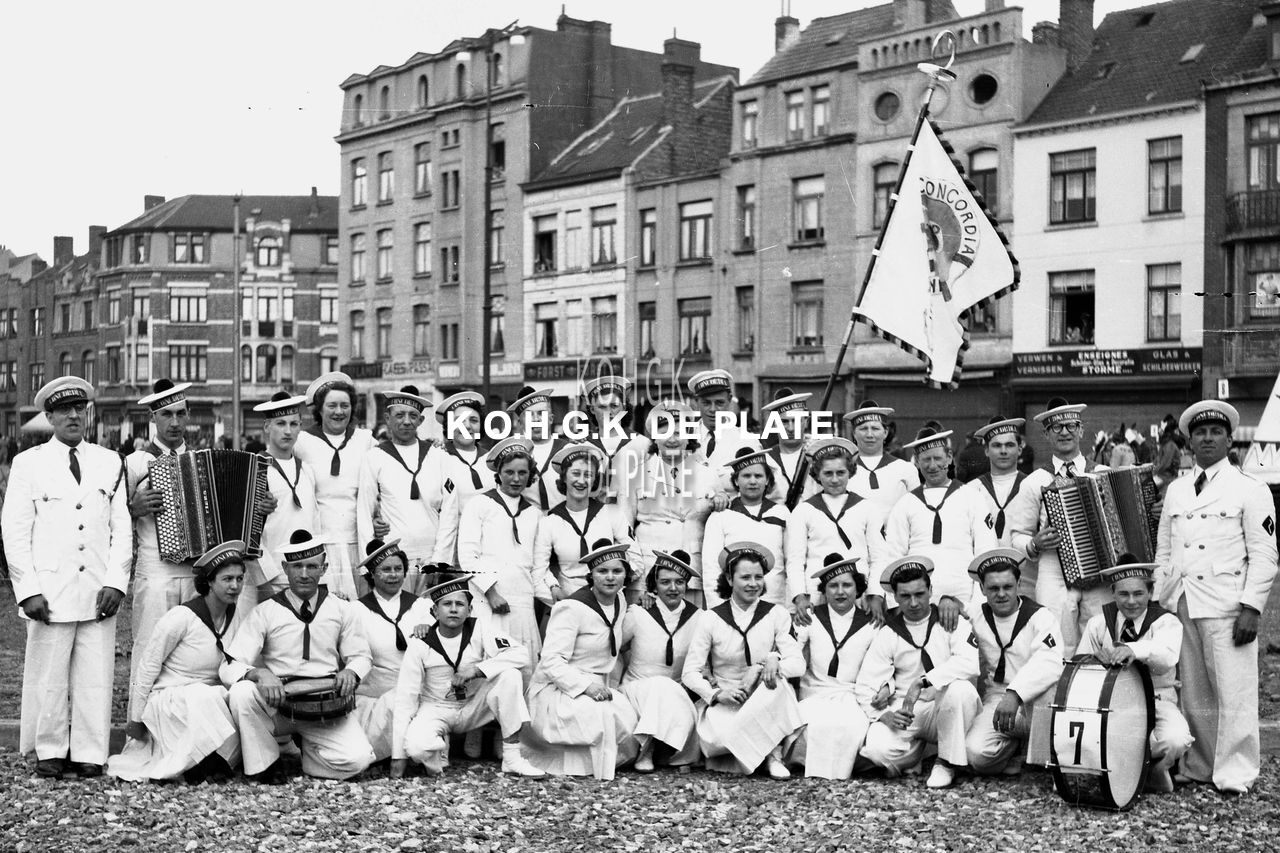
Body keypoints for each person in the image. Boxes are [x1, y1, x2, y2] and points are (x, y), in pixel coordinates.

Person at [2, 377, 132, 779]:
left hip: (97, 589)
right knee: (48, 675)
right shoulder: (29, 463)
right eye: (63, 410)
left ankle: (91, 751)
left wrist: (116, 582)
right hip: (50, 591)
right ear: (50, 417)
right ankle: (50, 749)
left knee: (96, 675)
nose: (73, 416)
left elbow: (122, 529)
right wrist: (27, 590)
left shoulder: (110, 461)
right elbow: (14, 532)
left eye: (79, 409)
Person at [1155, 400, 1277, 794]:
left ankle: (1236, 772)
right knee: (1195, 691)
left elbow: (1265, 554)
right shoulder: (1176, 490)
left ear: (1228, 440)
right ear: (1189, 442)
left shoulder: (1250, 488)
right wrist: (1160, 598)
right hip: (1184, 600)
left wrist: (1252, 607)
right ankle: (1201, 765)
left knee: (1234, 691)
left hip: (1227, 603)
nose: (1208, 438)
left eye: (1216, 432)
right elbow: (1164, 551)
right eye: (1201, 433)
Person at [220, 530, 375, 782]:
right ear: (285, 568)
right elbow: (230, 664)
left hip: (324, 705)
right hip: (279, 704)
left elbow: (361, 656)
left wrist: (351, 671)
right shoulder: (266, 611)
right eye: (297, 566)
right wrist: (259, 673)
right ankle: (265, 764)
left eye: (311, 566)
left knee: (358, 760)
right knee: (242, 692)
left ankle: (308, 756)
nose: (304, 574)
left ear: (324, 568)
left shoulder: (341, 608)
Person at [108, 541, 246, 783]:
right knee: (204, 696)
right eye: (227, 579)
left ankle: (206, 761)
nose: (234, 586)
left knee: (231, 697)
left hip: (208, 702)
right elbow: (147, 667)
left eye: (239, 579)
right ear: (209, 582)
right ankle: (198, 762)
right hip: (170, 702)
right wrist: (136, 720)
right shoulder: (182, 617)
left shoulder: (235, 616)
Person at [390, 572, 545, 778]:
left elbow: (520, 653)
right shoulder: (421, 642)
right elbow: (405, 697)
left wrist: (476, 670)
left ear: (470, 610)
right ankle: (438, 752)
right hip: (437, 706)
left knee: (510, 675)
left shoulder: (479, 627)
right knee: (417, 748)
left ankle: (512, 758)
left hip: (474, 705)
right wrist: (398, 758)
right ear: (435, 611)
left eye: (460, 604)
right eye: (447, 604)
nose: (454, 609)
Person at [682, 542, 804, 778]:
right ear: (729, 579)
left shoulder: (776, 614)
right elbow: (690, 672)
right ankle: (760, 751)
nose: (753, 584)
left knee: (777, 683)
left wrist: (771, 662)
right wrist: (716, 694)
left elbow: (798, 664)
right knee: (723, 737)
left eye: (758, 577)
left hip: (763, 697)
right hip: (728, 698)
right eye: (745, 577)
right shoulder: (711, 618)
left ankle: (773, 756)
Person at [857, 557, 980, 789]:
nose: (914, 603)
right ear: (895, 597)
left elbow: (970, 664)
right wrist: (884, 715)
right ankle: (919, 753)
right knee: (877, 750)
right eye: (905, 596)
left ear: (931, 591)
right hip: (907, 708)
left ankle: (946, 762)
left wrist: (924, 682)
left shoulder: (949, 620)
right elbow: (866, 684)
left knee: (961, 690)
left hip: (945, 705)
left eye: (920, 594)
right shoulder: (889, 632)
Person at [524, 540, 640, 780]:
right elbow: (551, 661)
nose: (610, 578)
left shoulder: (620, 601)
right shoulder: (571, 608)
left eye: (617, 571)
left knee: (628, 719)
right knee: (600, 716)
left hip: (598, 684)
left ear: (626, 575)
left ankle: (601, 764)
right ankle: (581, 766)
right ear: (591, 575)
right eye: (602, 571)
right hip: (559, 688)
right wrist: (586, 687)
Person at [1078, 559, 1192, 793]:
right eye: (1123, 594)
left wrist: (1133, 649)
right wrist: (1094, 660)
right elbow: (1079, 668)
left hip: (1157, 700)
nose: (1131, 601)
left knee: (1175, 740)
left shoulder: (1165, 622)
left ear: (1150, 592)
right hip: (1111, 702)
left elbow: (1166, 656)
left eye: (1138, 593)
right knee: (1089, 738)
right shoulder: (1099, 623)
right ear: (1113, 593)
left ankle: (1153, 772)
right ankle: (1122, 770)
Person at [124, 379, 202, 722]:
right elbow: (111, 518)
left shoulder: (200, 460)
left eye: (181, 414)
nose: (175, 422)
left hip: (196, 574)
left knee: (191, 655)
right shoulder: (136, 462)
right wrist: (133, 508)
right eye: (167, 414)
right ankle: (139, 729)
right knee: (149, 652)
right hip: (156, 574)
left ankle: (184, 729)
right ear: (152, 418)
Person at [1008, 398, 1110, 654]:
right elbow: (1017, 535)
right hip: (1053, 571)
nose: (1065, 432)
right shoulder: (1034, 481)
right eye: (1056, 427)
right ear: (1046, 434)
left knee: (1100, 641)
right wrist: (1034, 543)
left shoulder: (1103, 473)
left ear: (1081, 430)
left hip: (1099, 572)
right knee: (1056, 644)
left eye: (1071, 426)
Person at [963, 548, 1063, 776]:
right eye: (993, 588)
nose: (1001, 594)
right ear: (982, 588)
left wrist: (1015, 693)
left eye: (1007, 587)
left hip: (1034, 700)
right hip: (997, 698)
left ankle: (1042, 756)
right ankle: (1015, 747)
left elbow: (1049, 662)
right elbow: (956, 611)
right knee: (976, 755)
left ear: (1018, 584)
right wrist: (947, 602)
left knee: (1048, 702)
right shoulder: (976, 614)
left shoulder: (1040, 616)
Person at [881, 426, 996, 619]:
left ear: (949, 458)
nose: (932, 466)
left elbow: (985, 552)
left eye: (937, 458)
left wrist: (976, 606)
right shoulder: (905, 504)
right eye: (926, 459)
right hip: (917, 602)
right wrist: (898, 607)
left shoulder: (972, 497)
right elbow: (893, 558)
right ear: (917, 462)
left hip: (964, 600)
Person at [459, 437, 549, 678]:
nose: (516, 479)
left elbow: (538, 567)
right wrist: (491, 593)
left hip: (523, 605)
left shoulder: (534, 514)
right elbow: (467, 556)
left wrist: (559, 598)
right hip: (488, 602)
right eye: (509, 472)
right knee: (490, 669)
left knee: (525, 668)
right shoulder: (480, 504)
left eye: (522, 473)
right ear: (498, 473)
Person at [790, 555, 882, 779]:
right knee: (812, 725)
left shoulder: (871, 623)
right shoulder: (811, 617)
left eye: (847, 585)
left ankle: (839, 770)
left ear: (857, 589)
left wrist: (885, 687)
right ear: (824, 590)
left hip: (852, 695)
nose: (840, 592)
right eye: (833, 586)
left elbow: (882, 664)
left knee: (851, 726)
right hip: (814, 692)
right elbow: (791, 650)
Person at [617, 402, 714, 606]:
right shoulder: (635, 475)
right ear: (654, 437)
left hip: (691, 572)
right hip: (647, 572)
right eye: (665, 432)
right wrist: (635, 571)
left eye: (678, 432)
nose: (672, 439)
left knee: (691, 624)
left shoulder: (708, 475)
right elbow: (623, 529)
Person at [357, 387, 451, 594]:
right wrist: (370, 564)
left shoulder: (438, 457)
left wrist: (440, 561)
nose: (406, 421)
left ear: (421, 421)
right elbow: (364, 512)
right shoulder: (374, 457)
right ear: (387, 418)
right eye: (399, 415)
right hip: (392, 559)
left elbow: (449, 513)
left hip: (430, 558)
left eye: (413, 416)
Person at [294, 372, 378, 600]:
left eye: (345, 405)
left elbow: (381, 484)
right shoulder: (302, 442)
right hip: (320, 543)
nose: (339, 411)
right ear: (319, 410)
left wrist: (379, 516)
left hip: (357, 543)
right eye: (331, 406)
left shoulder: (366, 440)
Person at [785, 438, 887, 626]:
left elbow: (879, 557)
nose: (834, 479)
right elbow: (795, 560)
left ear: (850, 472)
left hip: (858, 593)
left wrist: (875, 595)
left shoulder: (867, 508)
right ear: (817, 474)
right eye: (827, 473)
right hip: (815, 594)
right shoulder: (803, 510)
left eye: (841, 473)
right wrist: (800, 596)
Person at [351, 539, 436, 764]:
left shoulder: (421, 607)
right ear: (372, 574)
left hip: (416, 688)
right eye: (385, 570)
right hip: (375, 694)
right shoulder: (357, 610)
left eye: (398, 569)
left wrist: (430, 632)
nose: (393, 575)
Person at [618, 549, 701, 773]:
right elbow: (614, 649)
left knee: (668, 687)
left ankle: (654, 748)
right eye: (665, 582)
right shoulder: (638, 613)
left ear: (687, 585)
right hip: (636, 691)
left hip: (679, 695)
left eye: (679, 582)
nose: (673, 588)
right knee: (661, 685)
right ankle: (648, 749)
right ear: (654, 584)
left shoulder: (699, 618)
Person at [534, 443, 638, 601]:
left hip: (608, 600)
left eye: (588, 475)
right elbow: (539, 571)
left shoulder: (612, 514)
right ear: (564, 477)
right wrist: (554, 589)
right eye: (575, 473)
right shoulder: (549, 522)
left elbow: (636, 560)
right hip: (567, 599)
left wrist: (613, 584)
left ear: (595, 480)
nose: (581, 481)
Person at [702, 448, 790, 608]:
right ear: (736, 481)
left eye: (758, 476)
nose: (753, 481)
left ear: (767, 480)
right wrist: (718, 608)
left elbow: (791, 561)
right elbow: (711, 568)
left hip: (775, 601)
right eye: (746, 476)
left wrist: (788, 606)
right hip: (733, 605)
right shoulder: (721, 516)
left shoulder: (782, 513)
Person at [963, 418, 1029, 574]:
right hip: (984, 574)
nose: (1003, 451)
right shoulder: (971, 489)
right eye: (997, 445)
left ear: (1020, 449)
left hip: (1026, 576)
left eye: (1010, 445)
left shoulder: (1032, 486)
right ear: (986, 450)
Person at [431, 391, 489, 567]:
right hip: (453, 549)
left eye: (474, 420)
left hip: (490, 545)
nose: (467, 426)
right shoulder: (438, 457)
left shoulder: (491, 460)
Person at [687, 369, 761, 498]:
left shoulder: (747, 441)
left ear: (730, 400)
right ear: (696, 402)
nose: (713, 409)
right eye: (706, 403)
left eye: (719, 403)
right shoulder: (682, 439)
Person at [580, 374, 648, 503]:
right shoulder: (583, 446)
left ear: (624, 408)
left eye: (614, 406)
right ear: (592, 409)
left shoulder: (642, 444)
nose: (609, 412)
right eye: (602, 407)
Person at [842, 400, 920, 510]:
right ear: (854, 433)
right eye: (863, 429)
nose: (869, 434)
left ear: (885, 432)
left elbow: (917, 512)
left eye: (875, 428)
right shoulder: (841, 471)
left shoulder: (906, 469)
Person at [508, 386, 567, 512]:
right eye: (529, 415)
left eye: (541, 413)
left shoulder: (567, 449)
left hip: (564, 520)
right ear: (520, 422)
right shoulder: (512, 454)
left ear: (551, 419)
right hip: (527, 521)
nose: (535, 419)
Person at [759, 389, 817, 508]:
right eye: (784, 422)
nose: (791, 428)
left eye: (796, 421)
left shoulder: (818, 456)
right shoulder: (766, 460)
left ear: (806, 421)